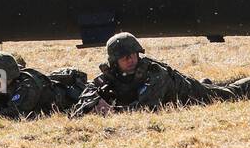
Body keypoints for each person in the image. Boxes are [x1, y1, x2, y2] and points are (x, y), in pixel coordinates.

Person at [70, 32, 232, 116]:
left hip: (190, 93)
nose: (131, 59)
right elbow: (79, 108)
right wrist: (93, 105)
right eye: (124, 57)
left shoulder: (154, 73)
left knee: (230, 94)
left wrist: (112, 111)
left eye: (133, 54)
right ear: (114, 62)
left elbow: (147, 109)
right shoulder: (109, 76)